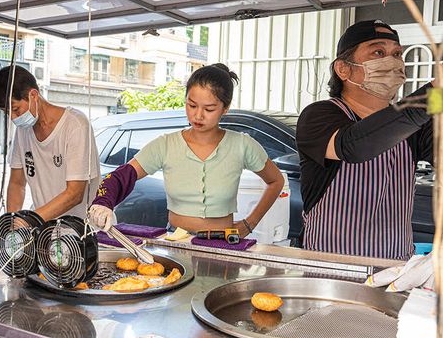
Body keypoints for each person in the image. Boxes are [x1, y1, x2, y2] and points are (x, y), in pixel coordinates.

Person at [88, 63, 284, 237]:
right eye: (191, 105)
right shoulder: (165, 145)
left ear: (225, 108)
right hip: (176, 239)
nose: (198, 115)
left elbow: (276, 180)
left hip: (224, 240)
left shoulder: (242, 145)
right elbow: (123, 176)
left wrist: (250, 224)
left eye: (209, 109)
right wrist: (103, 202)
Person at [296, 20, 433, 260]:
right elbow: (354, 146)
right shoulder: (319, 115)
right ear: (343, 69)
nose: (392, 61)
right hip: (329, 269)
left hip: (394, 268)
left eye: (397, 54)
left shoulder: (412, 124)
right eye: (378, 52)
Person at [0, 66, 100, 242]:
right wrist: (10, 223)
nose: (13, 118)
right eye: (7, 112)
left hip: (82, 234)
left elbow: (75, 193)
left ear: (33, 95)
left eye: (16, 110)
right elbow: (17, 184)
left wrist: (29, 220)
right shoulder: (23, 132)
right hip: (46, 233)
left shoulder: (75, 125)